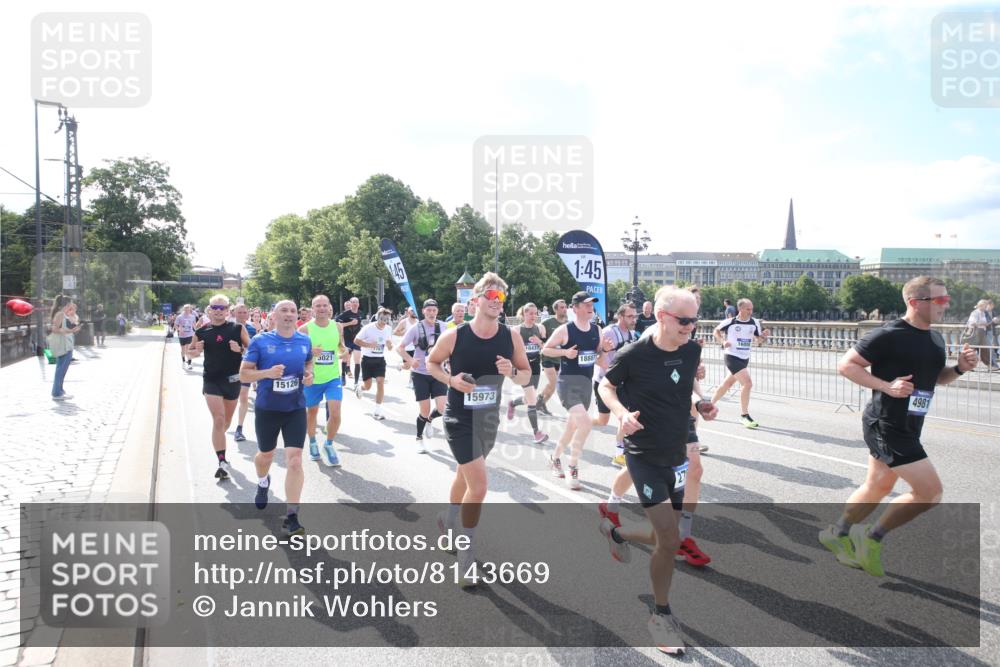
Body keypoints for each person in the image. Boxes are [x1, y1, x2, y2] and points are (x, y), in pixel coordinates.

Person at [819, 276, 978, 577]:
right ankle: (871, 536)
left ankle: (837, 533)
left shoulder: (935, 338)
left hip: (911, 422)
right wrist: (886, 386)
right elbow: (846, 365)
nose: (946, 305)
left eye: (947, 299)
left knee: (878, 486)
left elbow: (935, 378)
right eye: (940, 300)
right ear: (915, 302)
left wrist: (959, 368)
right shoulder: (888, 334)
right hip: (886, 423)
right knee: (930, 493)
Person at [596, 286, 718, 655]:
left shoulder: (691, 350)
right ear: (662, 317)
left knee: (668, 537)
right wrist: (621, 414)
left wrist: (702, 403)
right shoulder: (635, 354)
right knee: (668, 538)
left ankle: (618, 534)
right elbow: (606, 386)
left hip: (676, 453)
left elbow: (685, 389)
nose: (691, 327)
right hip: (644, 454)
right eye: (684, 320)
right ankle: (660, 615)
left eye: (695, 320)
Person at [426, 272, 531, 587]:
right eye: (492, 295)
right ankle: (466, 556)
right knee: (480, 486)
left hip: (488, 420)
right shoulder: (455, 336)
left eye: (502, 297)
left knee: (465, 476)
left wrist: (511, 372)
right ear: (476, 300)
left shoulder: (511, 337)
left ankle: (446, 520)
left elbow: (526, 375)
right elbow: (431, 363)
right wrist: (451, 380)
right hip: (459, 418)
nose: (498, 301)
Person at [241, 300, 314, 536]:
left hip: (295, 408)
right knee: (266, 455)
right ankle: (263, 481)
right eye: (284, 310)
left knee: (295, 461)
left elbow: (308, 361)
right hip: (268, 409)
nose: (289, 314)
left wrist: (309, 374)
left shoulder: (304, 340)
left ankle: (292, 516)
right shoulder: (260, 341)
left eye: (293, 311)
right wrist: (267, 373)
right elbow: (244, 374)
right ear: (273, 315)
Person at [542, 291, 612, 490]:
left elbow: (600, 360)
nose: (591, 307)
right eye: (587, 304)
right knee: (586, 423)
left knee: (572, 428)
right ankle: (572, 466)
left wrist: (605, 351)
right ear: (576, 308)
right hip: (567, 384)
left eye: (592, 304)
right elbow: (545, 349)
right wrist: (565, 352)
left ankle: (554, 457)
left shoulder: (597, 330)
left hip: (585, 385)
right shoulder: (565, 330)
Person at [185, 294, 249, 480]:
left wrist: (240, 350)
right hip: (211, 380)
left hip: (233, 380)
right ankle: (222, 461)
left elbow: (253, 351)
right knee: (219, 419)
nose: (219, 311)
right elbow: (190, 353)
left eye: (222, 308)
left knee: (225, 422)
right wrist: (195, 351)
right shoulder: (202, 331)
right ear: (209, 310)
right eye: (215, 307)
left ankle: (219, 440)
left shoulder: (238, 328)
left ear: (228, 310)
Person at [299, 294, 346, 467]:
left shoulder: (337, 326)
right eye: (317, 306)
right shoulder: (304, 330)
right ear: (313, 309)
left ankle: (328, 444)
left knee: (335, 414)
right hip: (313, 378)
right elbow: (297, 354)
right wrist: (310, 352)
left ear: (329, 307)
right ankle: (312, 442)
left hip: (333, 377)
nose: (321, 308)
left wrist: (344, 351)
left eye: (324, 305)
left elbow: (339, 345)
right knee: (311, 412)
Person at [710, 298, 769, 428]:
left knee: (727, 384)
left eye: (751, 309)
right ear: (740, 309)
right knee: (747, 383)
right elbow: (716, 331)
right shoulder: (730, 322)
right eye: (748, 309)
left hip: (744, 358)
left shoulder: (754, 322)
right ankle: (744, 415)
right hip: (731, 356)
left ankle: (709, 406)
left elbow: (758, 341)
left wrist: (763, 336)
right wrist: (723, 342)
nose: (750, 311)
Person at [592, 303, 639, 466]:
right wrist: (613, 370)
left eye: (635, 316)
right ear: (620, 316)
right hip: (605, 383)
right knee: (602, 421)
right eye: (630, 316)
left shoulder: (633, 334)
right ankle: (580, 423)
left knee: (625, 417)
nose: (634, 319)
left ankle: (619, 454)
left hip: (624, 384)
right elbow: (595, 357)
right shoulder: (609, 332)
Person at [398, 299, 447, 453]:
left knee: (442, 408)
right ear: (423, 311)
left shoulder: (444, 327)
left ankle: (430, 420)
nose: (432, 313)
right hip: (420, 374)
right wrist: (411, 360)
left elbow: (452, 347)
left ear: (437, 311)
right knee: (424, 410)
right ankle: (419, 439)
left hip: (438, 372)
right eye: (429, 310)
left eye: (434, 310)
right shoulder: (415, 328)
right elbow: (400, 348)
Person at [505, 302, 549, 444]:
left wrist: (539, 342)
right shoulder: (517, 330)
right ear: (524, 314)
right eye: (530, 313)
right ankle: (537, 433)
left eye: (535, 313)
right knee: (532, 399)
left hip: (535, 365)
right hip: (523, 367)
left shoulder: (540, 328)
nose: (533, 316)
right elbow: (510, 350)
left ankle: (513, 403)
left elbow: (546, 348)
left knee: (531, 397)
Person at [354, 307, 394, 419]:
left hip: (380, 360)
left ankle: (377, 410)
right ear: (377, 317)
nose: (384, 322)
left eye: (387, 319)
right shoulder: (368, 328)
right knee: (368, 386)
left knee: (380, 382)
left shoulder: (388, 329)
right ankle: (360, 388)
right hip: (367, 359)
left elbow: (389, 346)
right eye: (382, 319)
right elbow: (356, 341)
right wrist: (369, 345)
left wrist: (390, 345)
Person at [536, 299, 568, 416]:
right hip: (548, 357)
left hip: (560, 358)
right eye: (562, 307)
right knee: (553, 382)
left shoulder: (568, 324)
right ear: (555, 309)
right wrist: (541, 344)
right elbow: (537, 334)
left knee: (553, 386)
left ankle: (541, 403)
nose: (564, 309)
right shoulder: (547, 323)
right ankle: (539, 400)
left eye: (565, 307)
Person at [233, 304, 258, 443]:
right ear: (234, 313)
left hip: (245, 367)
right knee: (230, 398)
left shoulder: (252, 329)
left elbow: (254, 349)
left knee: (243, 396)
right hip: (229, 368)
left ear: (248, 314)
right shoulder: (229, 327)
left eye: (244, 312)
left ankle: (239, 428)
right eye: (239, 312)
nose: (242, 314)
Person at [49, 295, 82, 400]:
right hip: (63, 344)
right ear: (67, 304)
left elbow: (66, 325)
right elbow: (54, 329)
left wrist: (73, 329)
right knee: (61, 369)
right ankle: (56, 393)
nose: (72, 304)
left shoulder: (64, 314)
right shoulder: (60, 314)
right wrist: (70, 331)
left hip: (67, 344)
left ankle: (60, 390)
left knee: (63, 369)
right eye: (70, 303)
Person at [336, 297, 365, 391]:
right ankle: (343, 376)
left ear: (359, 304)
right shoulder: (346, 314)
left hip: (356, 341)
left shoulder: (360, 313)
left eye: (356, 302)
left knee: (357, 361)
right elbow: (337, 324)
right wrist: (350, 323)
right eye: (353, 302)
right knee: (346, 359)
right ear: (350, 304)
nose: (355, 304)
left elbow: (359, 326)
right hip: (347, 340)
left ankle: (356, 383)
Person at [393, 306, 419, 389]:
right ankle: (400, 366)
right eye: (412, 311)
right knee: (407, 366)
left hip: (415, 347)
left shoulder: (418, 322)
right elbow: (395, 332)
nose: (413, 312)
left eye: (414, 310)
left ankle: (411, 382)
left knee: (414, 364)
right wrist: (403, 333)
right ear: (408, 312)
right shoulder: (404, 322)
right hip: (406, 348)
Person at [965, 299, 992, 369]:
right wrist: (984, 324)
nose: (986, 307)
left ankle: (989, 365)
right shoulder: (975, 312)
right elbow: (972, 323)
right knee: (973, 349)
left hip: (981, 332)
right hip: (976, 331)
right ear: (981, 305)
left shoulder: (982, 313)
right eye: (985, 306)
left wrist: (986, 324)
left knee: (983, 349)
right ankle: (969, 365)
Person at [174, 305, 198, 369]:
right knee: (183, 350)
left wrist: (197, 332)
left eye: (188, 309)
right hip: (182, 335)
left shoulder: (192, 316)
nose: (187, 310)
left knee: (188, 349)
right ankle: (183, 361)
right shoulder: (179, 317)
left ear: (190, 310)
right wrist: (179, 329)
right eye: (186, 309)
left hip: (190, 334)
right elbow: (175, 325)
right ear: (184, 309)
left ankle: (189, 363)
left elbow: (194, 325)